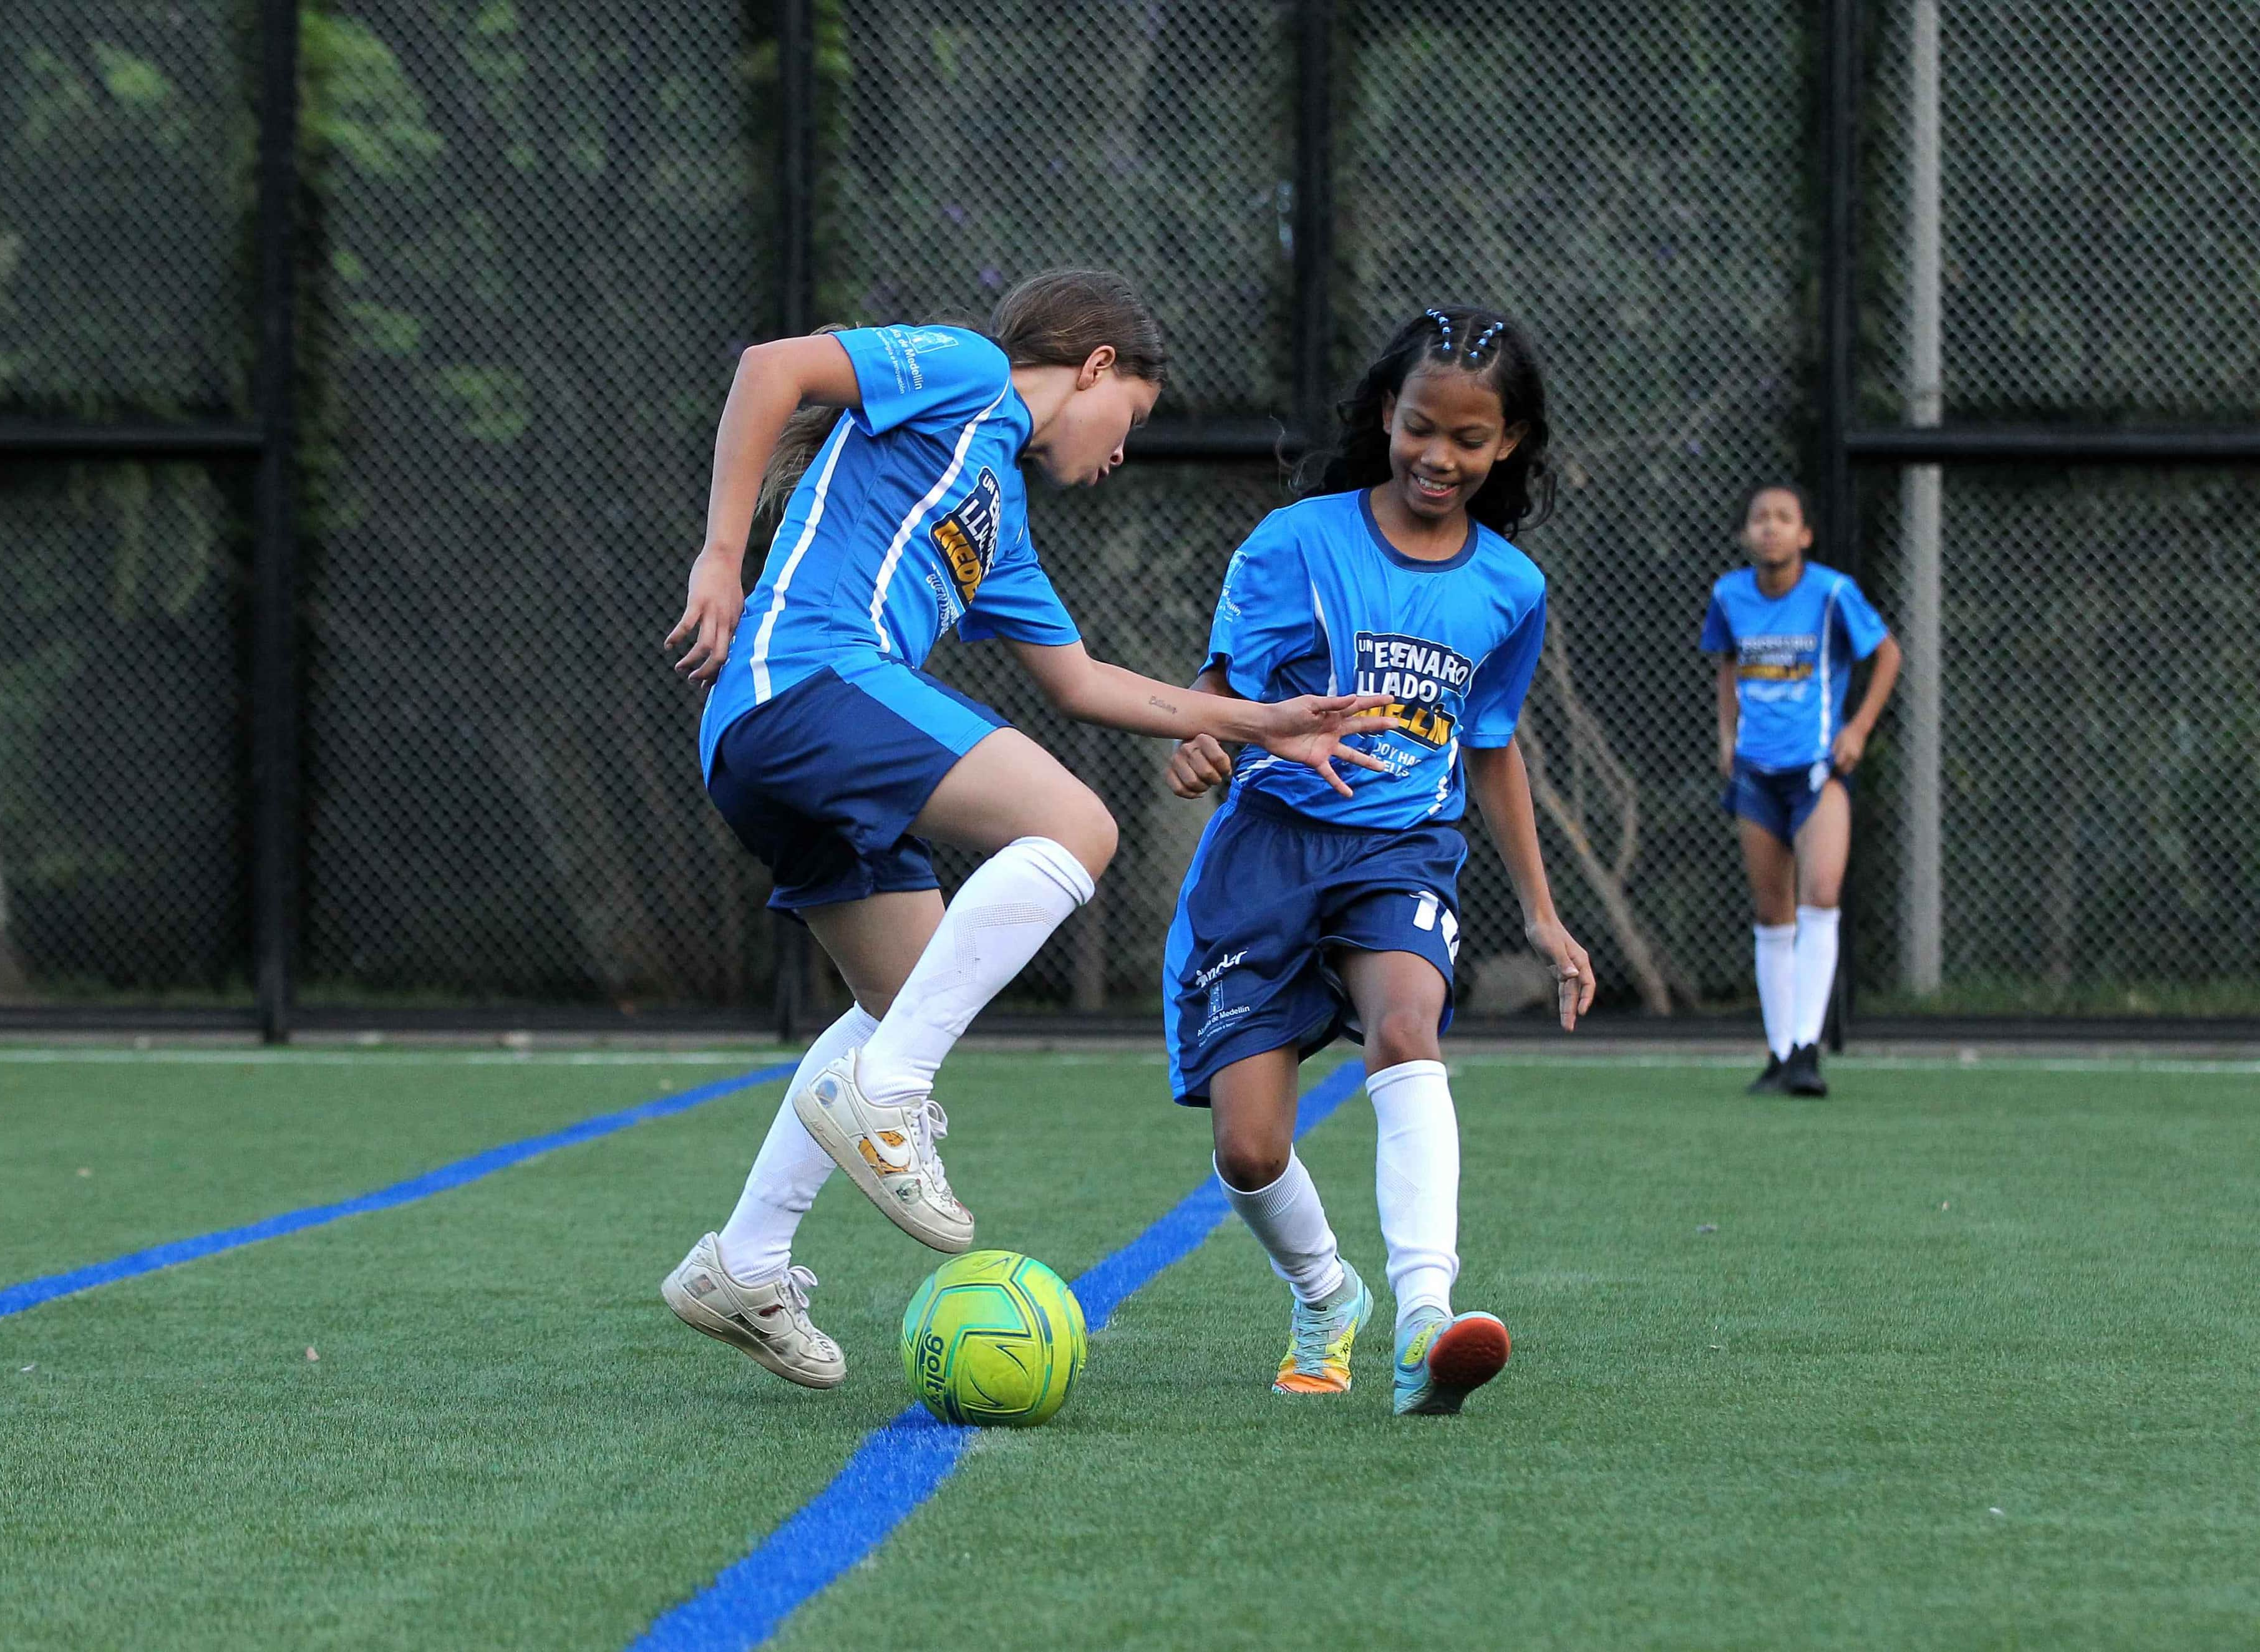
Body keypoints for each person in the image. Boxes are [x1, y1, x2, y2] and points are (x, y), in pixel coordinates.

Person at [660, 270, 1395, 1388]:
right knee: (1078, 824)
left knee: (896, 998)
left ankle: (746, 1261)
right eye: (1133, 420)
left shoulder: (997, 521)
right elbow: (773, 366)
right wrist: (722, 553)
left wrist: (1262, 721)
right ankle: (891, 1095)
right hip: (797, 677)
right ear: (1096, 366)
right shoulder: (966, 371)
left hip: (770, 746)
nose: (1121, 451)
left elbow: (1086, 681)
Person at [1160, 306, 1594, 1416]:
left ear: (1509, 446)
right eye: (1419, 429)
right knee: (1252, 1146)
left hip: (1403, 847)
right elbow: (1219, 692)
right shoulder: (1294, 543)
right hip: (1266, 853)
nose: (1439, 458)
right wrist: (1206, 736)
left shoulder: (1511, 589)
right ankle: (1326, 1292)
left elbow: (1490, 751)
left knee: (1408, 1025)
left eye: (1468, 438)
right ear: (1385, 420)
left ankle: (1426, 1318)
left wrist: (1543, 915)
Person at [1701, 483, 1901, 1098]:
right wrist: (1726, 736)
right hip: (1756, 774)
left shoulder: (1831, 593)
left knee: (1820, 895)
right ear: (1744, 535)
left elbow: (1888, 653)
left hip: (1817, 770)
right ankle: (1779, 1050)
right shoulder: (1729, 596)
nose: (1771, 528)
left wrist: (1859, 730)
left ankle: (1808, 1051)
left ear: (1805, 535)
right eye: (1759, 518)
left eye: (1784, 518)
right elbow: (1727, 664)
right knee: (1771, 912)